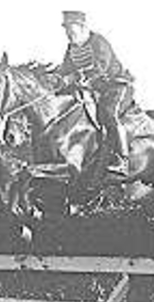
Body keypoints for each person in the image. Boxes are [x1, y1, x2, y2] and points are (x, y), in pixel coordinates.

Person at [54, 10, 135, 177]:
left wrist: (77, 77)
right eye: (66, 29)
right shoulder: (71, 48)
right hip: (94, 90)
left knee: (109, 114)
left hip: (115, 86)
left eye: (71, 28)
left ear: (82, 27)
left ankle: (123, 160)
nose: (68, 32)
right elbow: (65, 69)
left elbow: (100, 67)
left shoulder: (98, 41)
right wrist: (56, 80)